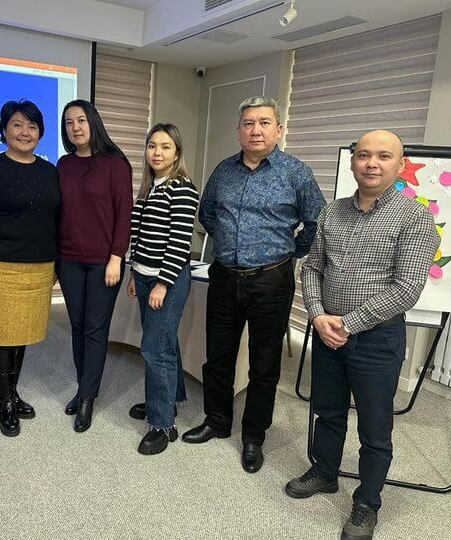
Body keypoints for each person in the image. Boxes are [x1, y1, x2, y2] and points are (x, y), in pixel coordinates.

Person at [285, 130, 439, 540]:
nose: (372, 163)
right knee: (328, 411)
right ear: (353, 162)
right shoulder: (332, 212)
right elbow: (312, 268)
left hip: (376, 340)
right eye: (364, 155)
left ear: (400, 164)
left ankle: (367, 503)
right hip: (326, 333)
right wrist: (318, 316)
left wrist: (348, 324)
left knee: (374, 427)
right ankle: (325, 472)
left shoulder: (415, 217)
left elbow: (407, 288)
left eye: (383, 156)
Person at [182, 96, 326, 474]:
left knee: (264, 364)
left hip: (271, 281)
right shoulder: (223, 171)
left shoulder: (296, 173)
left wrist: (289, 253)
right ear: (238, 131)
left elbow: (316, 222)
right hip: (224, 277)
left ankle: (253, 435)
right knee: (218, 356)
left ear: (278, 129)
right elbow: (207, 213)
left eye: (264, 123)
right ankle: (217, 420)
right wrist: (230, 242)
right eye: (248, 123)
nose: (255, 130)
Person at [0, 100, 60, 437]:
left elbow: (56, 221)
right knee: (3, 336)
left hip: (39, 267)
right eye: (17, 125)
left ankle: (12, 392)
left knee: (22, 334)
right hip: (1, 266)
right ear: (4, 130)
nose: (25, 132)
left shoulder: (50, 171)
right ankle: (5, 400)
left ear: (40, 133)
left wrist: (56, 265)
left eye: (32, 126)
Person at [56, 100, 133, 432]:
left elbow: (124, 214)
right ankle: (82, 387)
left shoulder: (115, 163)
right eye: (69, 122)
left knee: (95, 328)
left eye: (81, 120)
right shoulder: (63, 164)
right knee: (77, 326)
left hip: (104, 262)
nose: (75, 127)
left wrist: (116, 257)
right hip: (69, 260)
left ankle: (88, 397)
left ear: (94, 123)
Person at [126, 123, 199, 455]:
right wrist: (134, 274)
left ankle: (162, 424)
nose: (157, 152)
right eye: (152, 145)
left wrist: (162, 284)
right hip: (143, 276)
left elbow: (179, 243)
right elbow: (139, 236)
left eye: (165, 146)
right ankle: (168, 400)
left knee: (155, 350)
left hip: (165, 280)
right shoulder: (148, 187)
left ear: (177, 153)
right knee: (164, 343)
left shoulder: (182, 188)